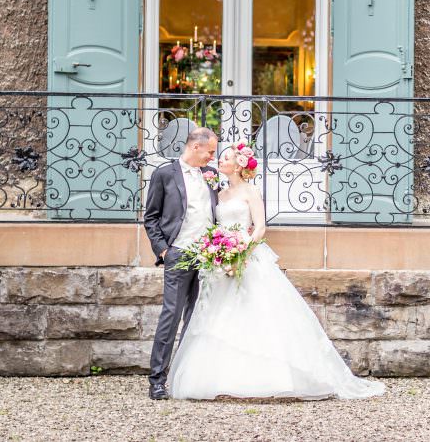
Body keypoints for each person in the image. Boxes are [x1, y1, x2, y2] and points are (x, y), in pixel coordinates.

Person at [168, 142, 385, 400]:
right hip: (222, 260)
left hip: (246, 257)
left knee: (257, 312)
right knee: (218, 316)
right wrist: (218, 252)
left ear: (238, 165)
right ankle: (219, 379)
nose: (220, 161)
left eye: (225, 157)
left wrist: (241, 253)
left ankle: (270, 379)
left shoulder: (251, 192)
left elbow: (259, 228)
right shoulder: (219, 193)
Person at [143, 126, 219, 401]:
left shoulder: (212, 176)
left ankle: (185, 376)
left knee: (197, 317)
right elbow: (151, 217)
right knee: (171, 315)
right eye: (210, 151)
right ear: (195, 146)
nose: (213, 156)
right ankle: (157, 379)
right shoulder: (165, 174)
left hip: (209, 257)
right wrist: (163, 250)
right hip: (178, 253)